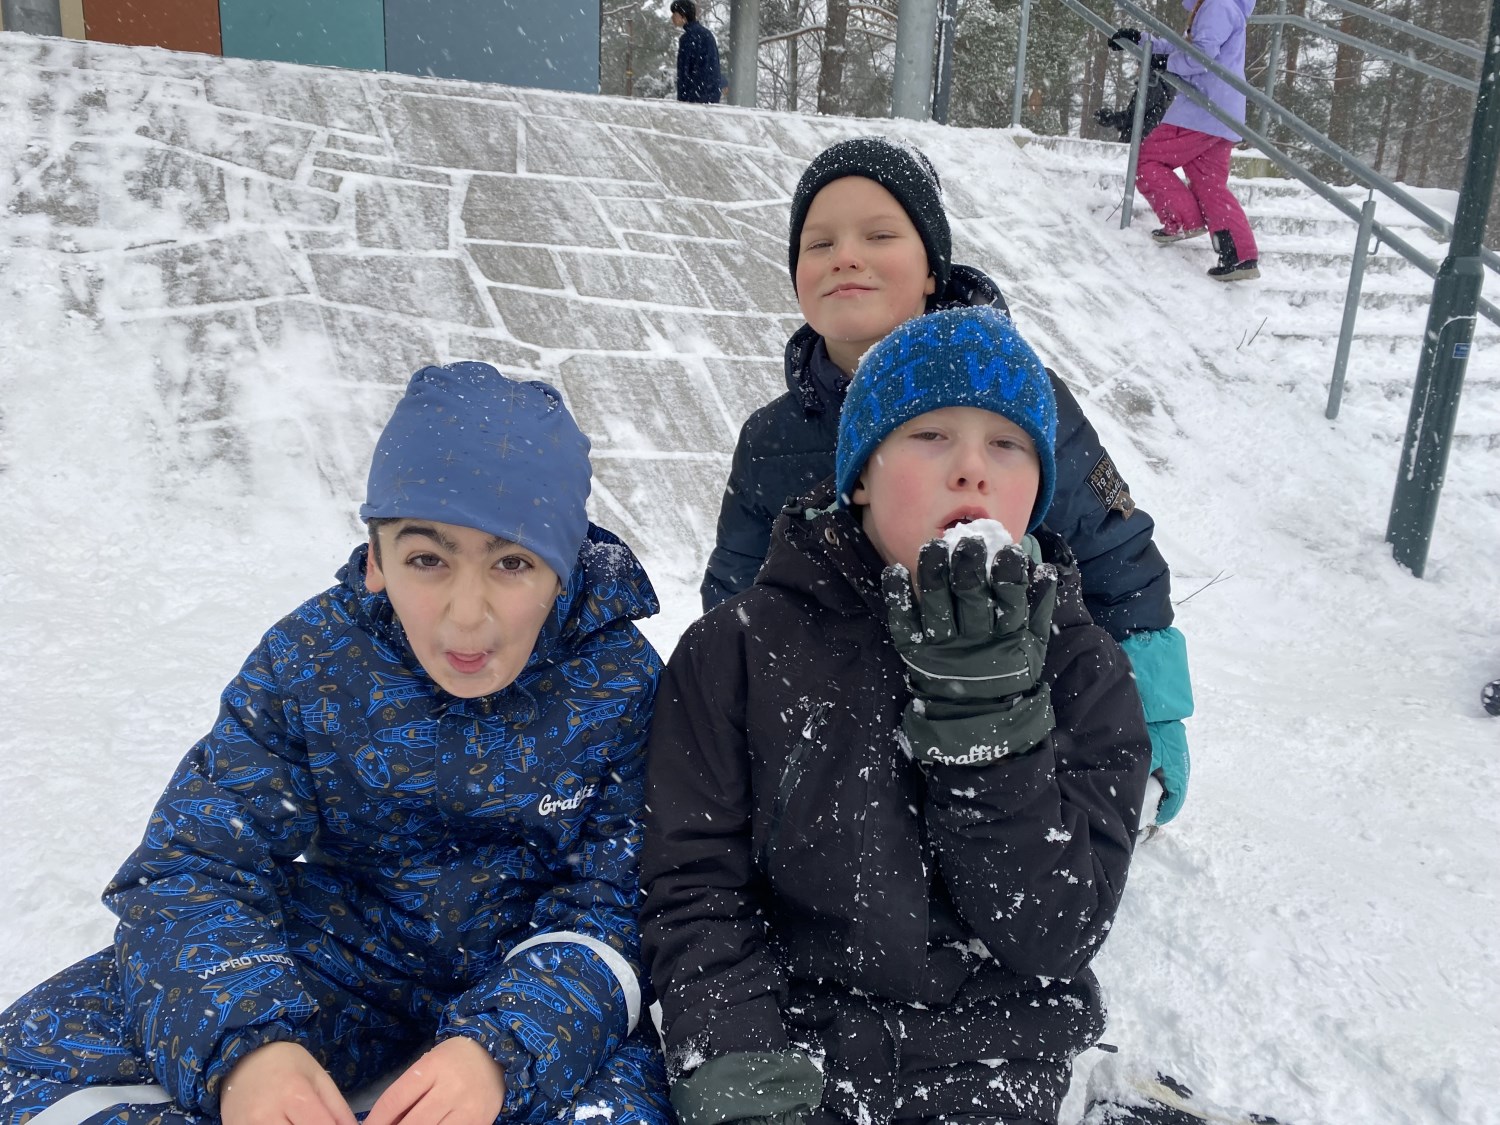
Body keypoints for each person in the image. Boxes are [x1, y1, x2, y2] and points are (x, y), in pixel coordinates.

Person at [0, 363, 674, 1125]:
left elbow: (621, 902)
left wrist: (504, 1047)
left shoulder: (624, 683)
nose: (465, 615)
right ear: (377, 559)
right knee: (29, 1061)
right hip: (346, 953)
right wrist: (248, 1048)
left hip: (539, 975)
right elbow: (194, 865)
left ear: (564, 565)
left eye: (512, 562)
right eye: (428, 559)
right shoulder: (314, 658)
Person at [642, 305, 1155, 1125]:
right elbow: (696, 887)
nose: (972, 469)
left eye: (1008, 444)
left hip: (993, 1062)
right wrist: (741, 1067)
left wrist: (990, 729)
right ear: (860, 474)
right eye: (930, 435)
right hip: (797, 1052)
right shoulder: (734, 651)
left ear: (1039, 490)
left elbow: (1054, 935)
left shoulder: (1084, 672)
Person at [699, 136, 1193, 827]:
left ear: (933, 269)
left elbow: (1115, 554)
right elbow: (737, 591)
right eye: (820, 243)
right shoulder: (772, 437)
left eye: (879, 235)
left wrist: (1153, 718)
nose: (846, 256)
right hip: (845, 754)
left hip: (1009, 731)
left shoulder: (1017, 402)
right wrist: (724, 722)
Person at [1109, 0, 1261, 281]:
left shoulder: (1217, 5)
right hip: (1220, 111)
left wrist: (1164, 62)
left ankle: (1183, 220)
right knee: (1208, 183)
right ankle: (1239, 255)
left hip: (1202, 110)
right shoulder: (1221, 5)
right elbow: (1186, 47)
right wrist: (1142, 41)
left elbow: (1200, 56)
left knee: (1146, 159)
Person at [671, 0, 723, 104]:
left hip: (693, 97)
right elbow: (714, 66)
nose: (672, 17)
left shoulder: (687, 38)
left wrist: (683, 98)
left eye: (675, 14)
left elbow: (684, 72)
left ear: (683, 15)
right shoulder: (707, 34)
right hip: (710, 95)